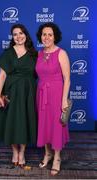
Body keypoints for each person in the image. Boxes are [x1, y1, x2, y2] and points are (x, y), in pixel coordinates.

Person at [0, 24, 37, 168]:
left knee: (24, 121)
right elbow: (2, 75)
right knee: (10, 121)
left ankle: (22, 152)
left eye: (21, 33)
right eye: (15, 34)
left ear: (26, 35)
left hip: (27, 93)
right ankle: (15, 151)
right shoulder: (8, 53)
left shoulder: (34, 54)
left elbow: (42, 73)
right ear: (12, 37)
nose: (18, 36)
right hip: (10, 91)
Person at [36, 22, 70, 176]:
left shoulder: (61, 53)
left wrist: (64, 100)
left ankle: (57, 157)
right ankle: (47, 153)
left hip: (56, 94)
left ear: (55, 36)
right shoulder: (39, 53)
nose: (47, 37)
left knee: (56, 126)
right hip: (41, 93)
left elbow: (67, 79)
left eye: (50, 34)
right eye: (44, 34)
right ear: (41, 37)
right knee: (44, 124)